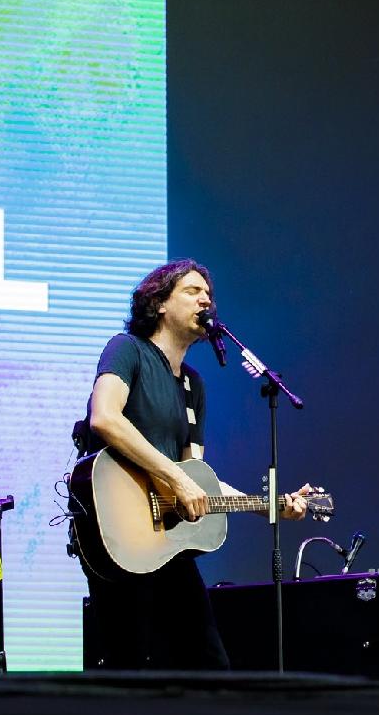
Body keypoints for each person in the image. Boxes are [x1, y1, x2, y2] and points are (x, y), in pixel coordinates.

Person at [77, 259, 311, 669]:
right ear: (159, 303)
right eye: (192, 290)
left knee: (209, 662)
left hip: (167, 543)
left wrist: (271, 503)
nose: (206, 299)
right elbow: (105, 417)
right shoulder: (126, 349)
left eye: (209, 294)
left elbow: (198, 478)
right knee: (127, 662)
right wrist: (173, 478)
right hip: (117, 528)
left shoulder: (193, 385)